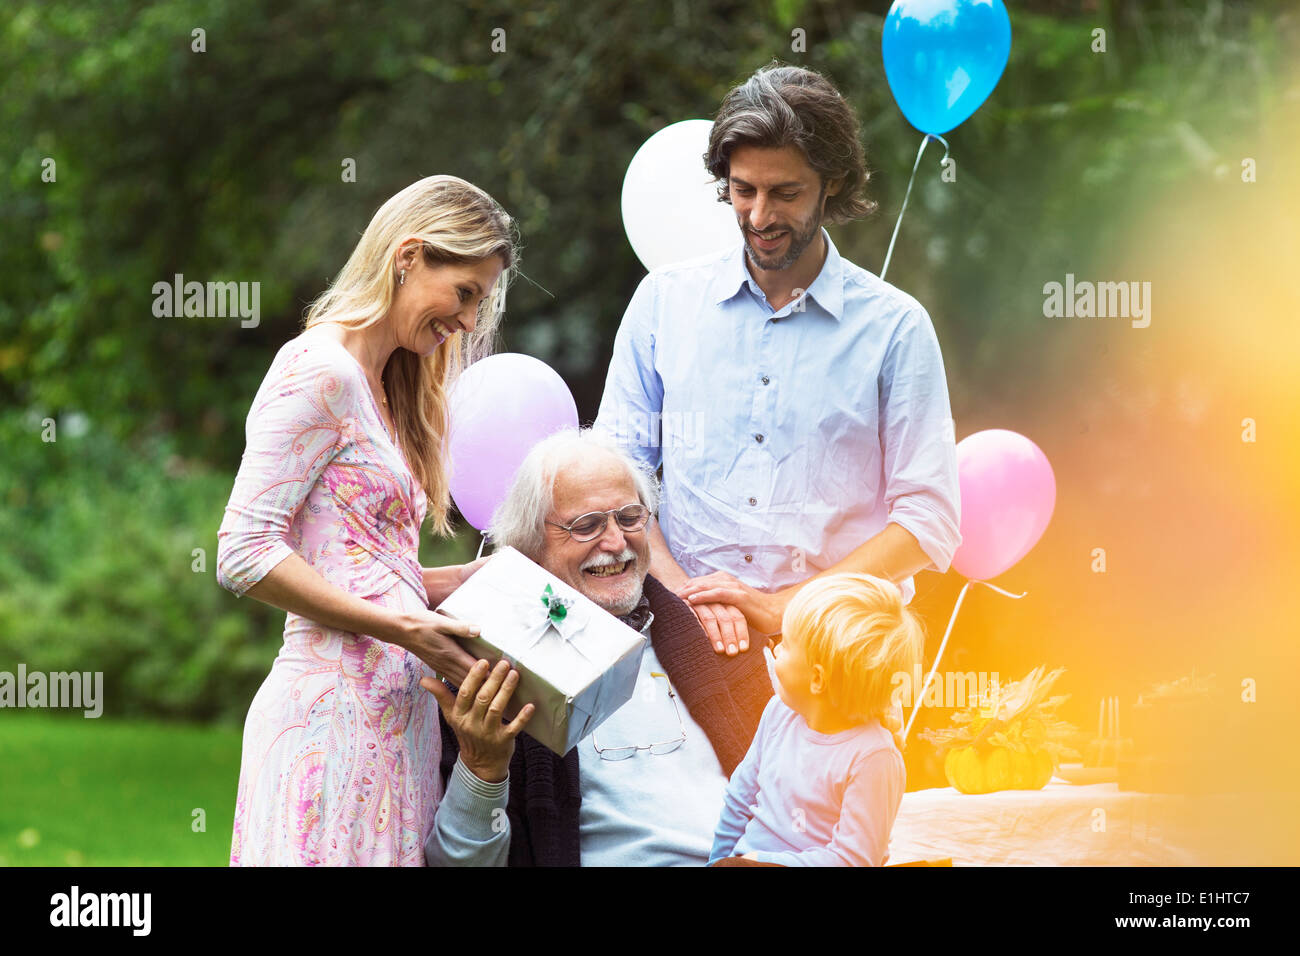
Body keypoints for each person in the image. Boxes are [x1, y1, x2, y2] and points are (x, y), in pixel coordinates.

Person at [594, 62, 961, 658]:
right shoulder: (663, 301)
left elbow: (928, 522)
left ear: (833, 183)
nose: (760, 217)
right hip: (680, 646)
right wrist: (688, 597)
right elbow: (615, 479)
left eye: (785, 193)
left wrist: (783, 608)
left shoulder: (895, 327)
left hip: (840, 656)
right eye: (744, 191)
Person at [216, 175, 518, 866]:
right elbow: (241, 549)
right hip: (328, 725)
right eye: (465, 292)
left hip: (396, 734)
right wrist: (406, 629)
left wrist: (474, 581)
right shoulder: (317, 370)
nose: (469, 321)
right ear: (408, 256)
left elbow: (364, 566)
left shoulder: (383, 390)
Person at [423, 428, 771, 866]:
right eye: (586, 526)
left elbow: (812, 804)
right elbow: (458, 864)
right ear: (531, 546)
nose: (615, 542)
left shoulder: (718, 642)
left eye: (629, 518)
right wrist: (482, 770)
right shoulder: (488, 674)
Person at [710, 573, 923, 866]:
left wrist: (762, 861)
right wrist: (718, 860)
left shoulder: (874, 757)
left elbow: (854, 859)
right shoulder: (778, 713)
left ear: (817, 679)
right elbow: (739, 798)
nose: (774, 648)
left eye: (785, 644)